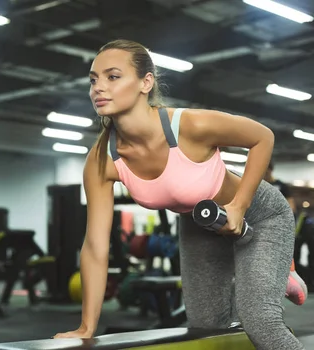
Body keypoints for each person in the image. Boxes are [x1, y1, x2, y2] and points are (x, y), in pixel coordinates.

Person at [53, 39, 305, 349]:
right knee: (205, 329)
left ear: (146, 83)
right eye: (94, 79)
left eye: (112, 76)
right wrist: (86, 326)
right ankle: (276, 272)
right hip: (200, 222)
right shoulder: (102, 159)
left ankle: (281, 267)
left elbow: (262, 137)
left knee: (259, 321)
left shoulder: (188, 126)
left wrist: (239, 206)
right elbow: (94, 246)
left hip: (259, 214)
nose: (98, 88)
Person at [263, 162, 308, 305]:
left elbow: (291, 206)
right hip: (260, 225)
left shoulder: (281, 186)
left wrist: (290, 226)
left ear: (270, 170)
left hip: (279, 224)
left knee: (281, 254)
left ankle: (289, 274)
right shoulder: (255, 184)